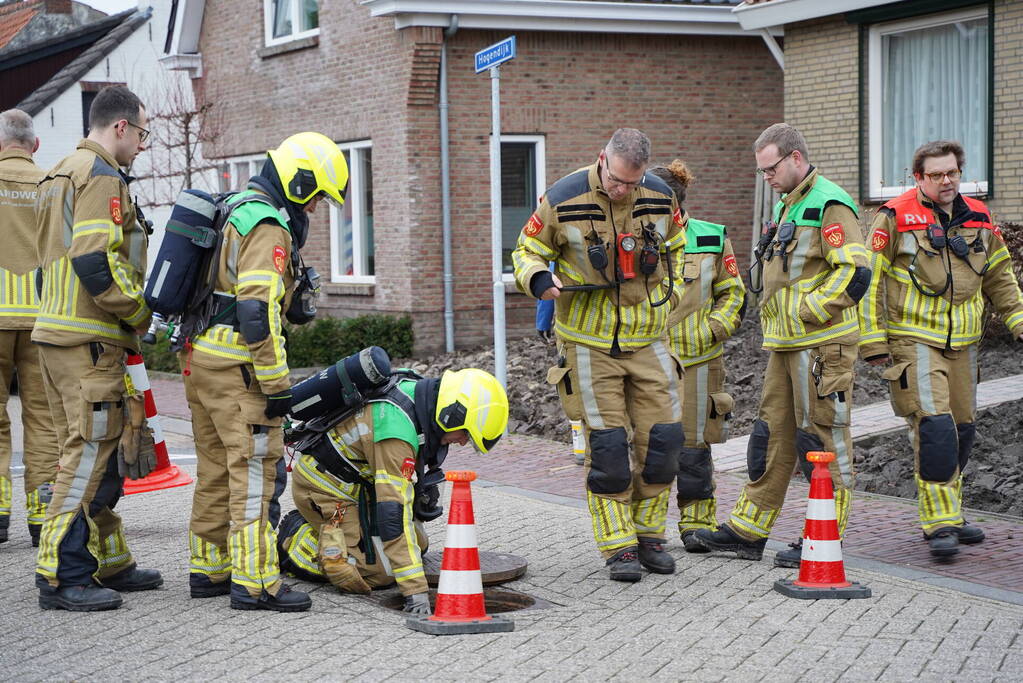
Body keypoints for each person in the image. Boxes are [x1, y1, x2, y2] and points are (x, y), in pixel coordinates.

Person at [182, 132, 348, 612]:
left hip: (201, 361)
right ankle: (255, 583)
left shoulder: (236, 206)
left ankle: (209, 569)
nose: (315, 208)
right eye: (316, 195)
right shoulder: (268, 223)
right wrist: (277, 387)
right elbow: (257, 311)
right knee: (254, 472)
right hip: (239, 370)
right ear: (299, 182)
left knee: (215, 469)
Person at [512, 128, 687, 582]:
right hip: (588, 343)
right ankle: (619, 547)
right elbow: (527, 250)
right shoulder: (563, 197)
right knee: (608, 449)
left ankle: (649, 537)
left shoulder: (662, 196)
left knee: (663, 442)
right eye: (616, 181)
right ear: (602, 161)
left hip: (649, 338)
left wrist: (672, 294)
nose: (623, 191)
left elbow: (677, 250)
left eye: (632, 184)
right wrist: (537, 281)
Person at [693, 123, 870, 567]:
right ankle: (747, 532)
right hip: (788, 345)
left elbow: (855, 271)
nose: (766, 177)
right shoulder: (790, 205)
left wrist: (809, 310)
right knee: (771, 437)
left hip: (821, 345)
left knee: (824, 440)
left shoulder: (829, 202)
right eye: (761, 171)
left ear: (794, 158)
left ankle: (825, 536)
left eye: (770, 168)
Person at [859, 140, 1023, 557]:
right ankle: (939, 522)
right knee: (934, 428)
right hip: (914, 341)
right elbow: (870, 282)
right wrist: (873, 341)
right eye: (936, 175)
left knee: (963, 431)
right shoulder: (893, 217)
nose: (946, 180)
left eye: (952, 172)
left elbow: (1000, 277)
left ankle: (951, 509)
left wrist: (1019, 322)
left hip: (965, 345)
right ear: (919, 177)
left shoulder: (980, 218)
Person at [32, 86, 157, 610]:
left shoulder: (59, 170)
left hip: (57, 335)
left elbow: (50, 263)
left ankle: (108, 562)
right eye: (143, 133)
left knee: (89, 455)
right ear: (121, 127)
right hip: (88, 339)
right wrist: (140, 313)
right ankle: (61, 576)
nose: (144, 146)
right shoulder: (101, 176)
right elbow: (94, 262)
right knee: (86, 458)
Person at [277, 367, 509, 615]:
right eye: (465, 433)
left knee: (417, 545)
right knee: (377, 573)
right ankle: (293, 540)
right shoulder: (395, 433)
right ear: (451, 414)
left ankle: (342, 534)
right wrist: (415, 591)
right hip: (325, 489)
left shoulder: (422, 394)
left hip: (361, 485)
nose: (463, 442)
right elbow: (393, 516)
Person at [647, 161, 746, 553]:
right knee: (650, 448)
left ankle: (697, 524)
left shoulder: (711, 237)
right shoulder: (638, 237)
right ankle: (649, 528)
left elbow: (734, 294)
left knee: (693, 447)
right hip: (648, 360)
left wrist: (711, 331)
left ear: (673, 203)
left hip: (700, 361)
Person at [0, 110, 60, 548]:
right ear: (35, 146)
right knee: (43, 422)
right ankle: (42, 516)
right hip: (44, 321)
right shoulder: (52, 186)